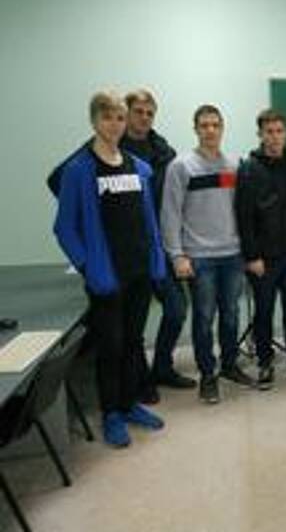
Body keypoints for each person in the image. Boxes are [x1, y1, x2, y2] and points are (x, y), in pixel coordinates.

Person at [46, 89, 193, 403]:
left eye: (148, 113)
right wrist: (88, 253)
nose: (118, 123)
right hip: (109, 263)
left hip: (148, 256)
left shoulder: (154, 156)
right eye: (135, 112)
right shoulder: (90, 159)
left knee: (157, 323)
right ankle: (124, 399)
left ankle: (148, 382)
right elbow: (62, 214)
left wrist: (165, 251)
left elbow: (160, 207)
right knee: (115, 340)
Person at [53, 91, 166, 448]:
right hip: (105, 276)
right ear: (94, 121)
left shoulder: (139, 168)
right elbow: (64, 228)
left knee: (133, 341)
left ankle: (129, 403)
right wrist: (88, 267)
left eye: (119, 118)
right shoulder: (78, 170)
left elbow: (149, 221)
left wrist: (157, 258)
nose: (114, 124)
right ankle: (111, 413)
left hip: (139, 271)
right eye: (107, 117)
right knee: (111, 345)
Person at [161, 104, 253, 404]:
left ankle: (229, 365)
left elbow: (243, 209)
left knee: (231, 314)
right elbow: (170, 214)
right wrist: (177, 255)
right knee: (203, 317)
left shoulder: (234, 165)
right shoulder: (181, 166)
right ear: (196, 129)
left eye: (215, 125)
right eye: (204, 125)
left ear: (222, 128)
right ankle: (208, 375)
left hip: (233, 254)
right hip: (199, 256)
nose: (210, 130)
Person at [235, 109, 286, 390]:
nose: (275, 137)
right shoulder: (249, 169)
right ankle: (265, 362)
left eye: (280, 131)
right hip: (263, 259)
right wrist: (251, 256)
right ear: (260, 134)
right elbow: (243, 216)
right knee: (264, 312)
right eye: (269, 131)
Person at [122, 90, 194, 398]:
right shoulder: (109, 149)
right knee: (133, 321)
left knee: (177, 309)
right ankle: (139, 381)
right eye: (138, 111)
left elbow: (176, 198)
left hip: (161, 245)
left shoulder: (164, 151)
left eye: (149, 113)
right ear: (126, 113)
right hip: (129, 248)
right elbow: (61, 180)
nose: (144, 117)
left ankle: (162, 367)